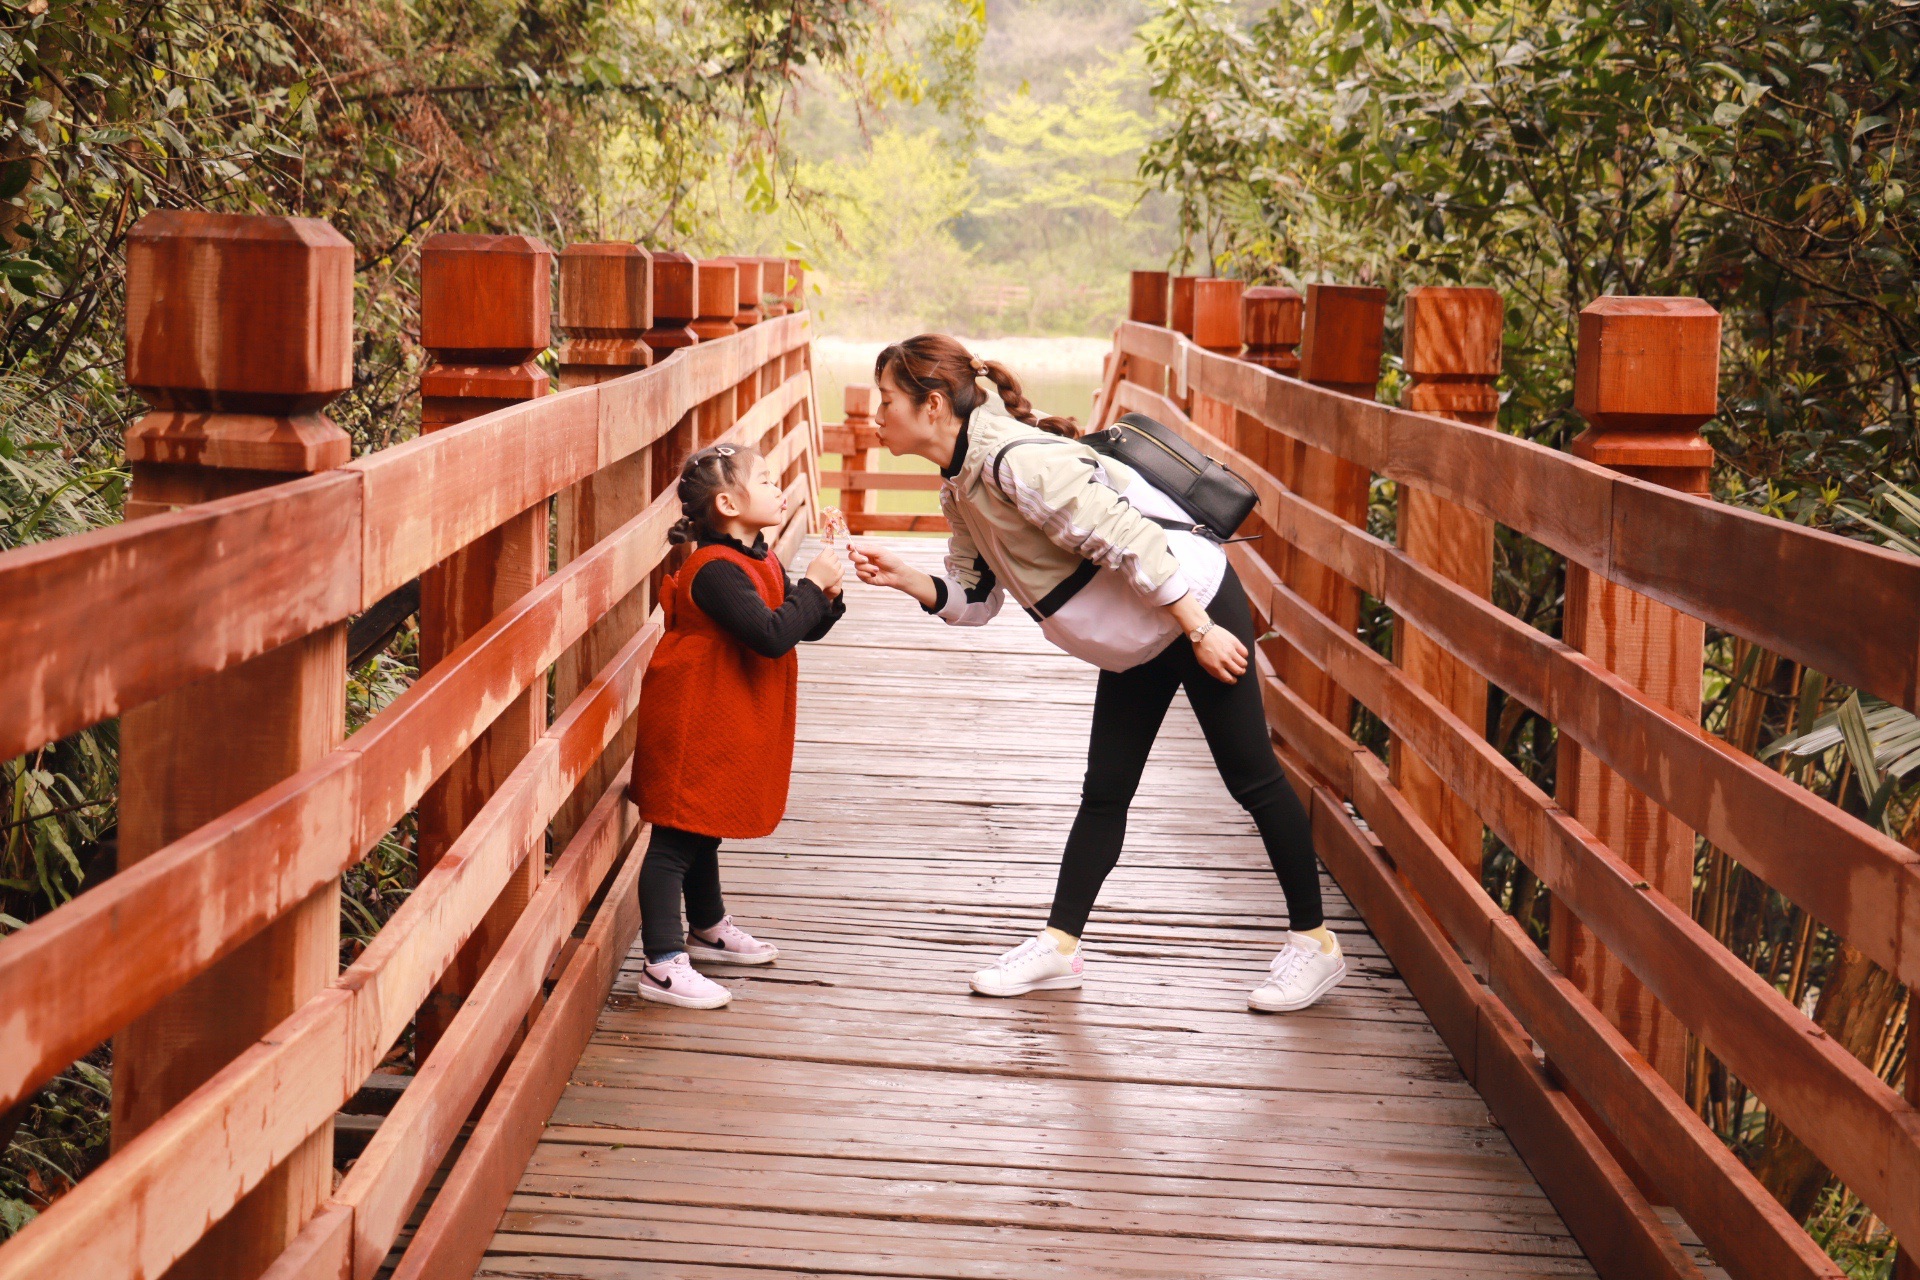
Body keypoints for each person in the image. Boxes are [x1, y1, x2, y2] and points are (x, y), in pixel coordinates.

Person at [848, 335, 1342, 1013]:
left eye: (886, 401)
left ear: (932, 406)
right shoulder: (960, 485)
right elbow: (977, 603)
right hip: (1138, 633)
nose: (876, 415)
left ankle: (1315, 945)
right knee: (1105, 790)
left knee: (1250, 775)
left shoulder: (1015, 464)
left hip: (1188, 603)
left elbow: (1127, 537)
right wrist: (905, 578)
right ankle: (1060, 947)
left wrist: (1199, 631)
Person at [629, 443, 846, 1009]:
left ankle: (707, 924)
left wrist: (826, 591)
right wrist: (810, 588)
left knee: (704, 824)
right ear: (727, 502)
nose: (780, 489)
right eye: (767, 480)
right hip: (691, 714)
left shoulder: (760, 555)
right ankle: (662, 963)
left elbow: (796, 625)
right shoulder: (714, 571)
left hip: (721, 710)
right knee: (675, 835)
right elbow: (771, 636)